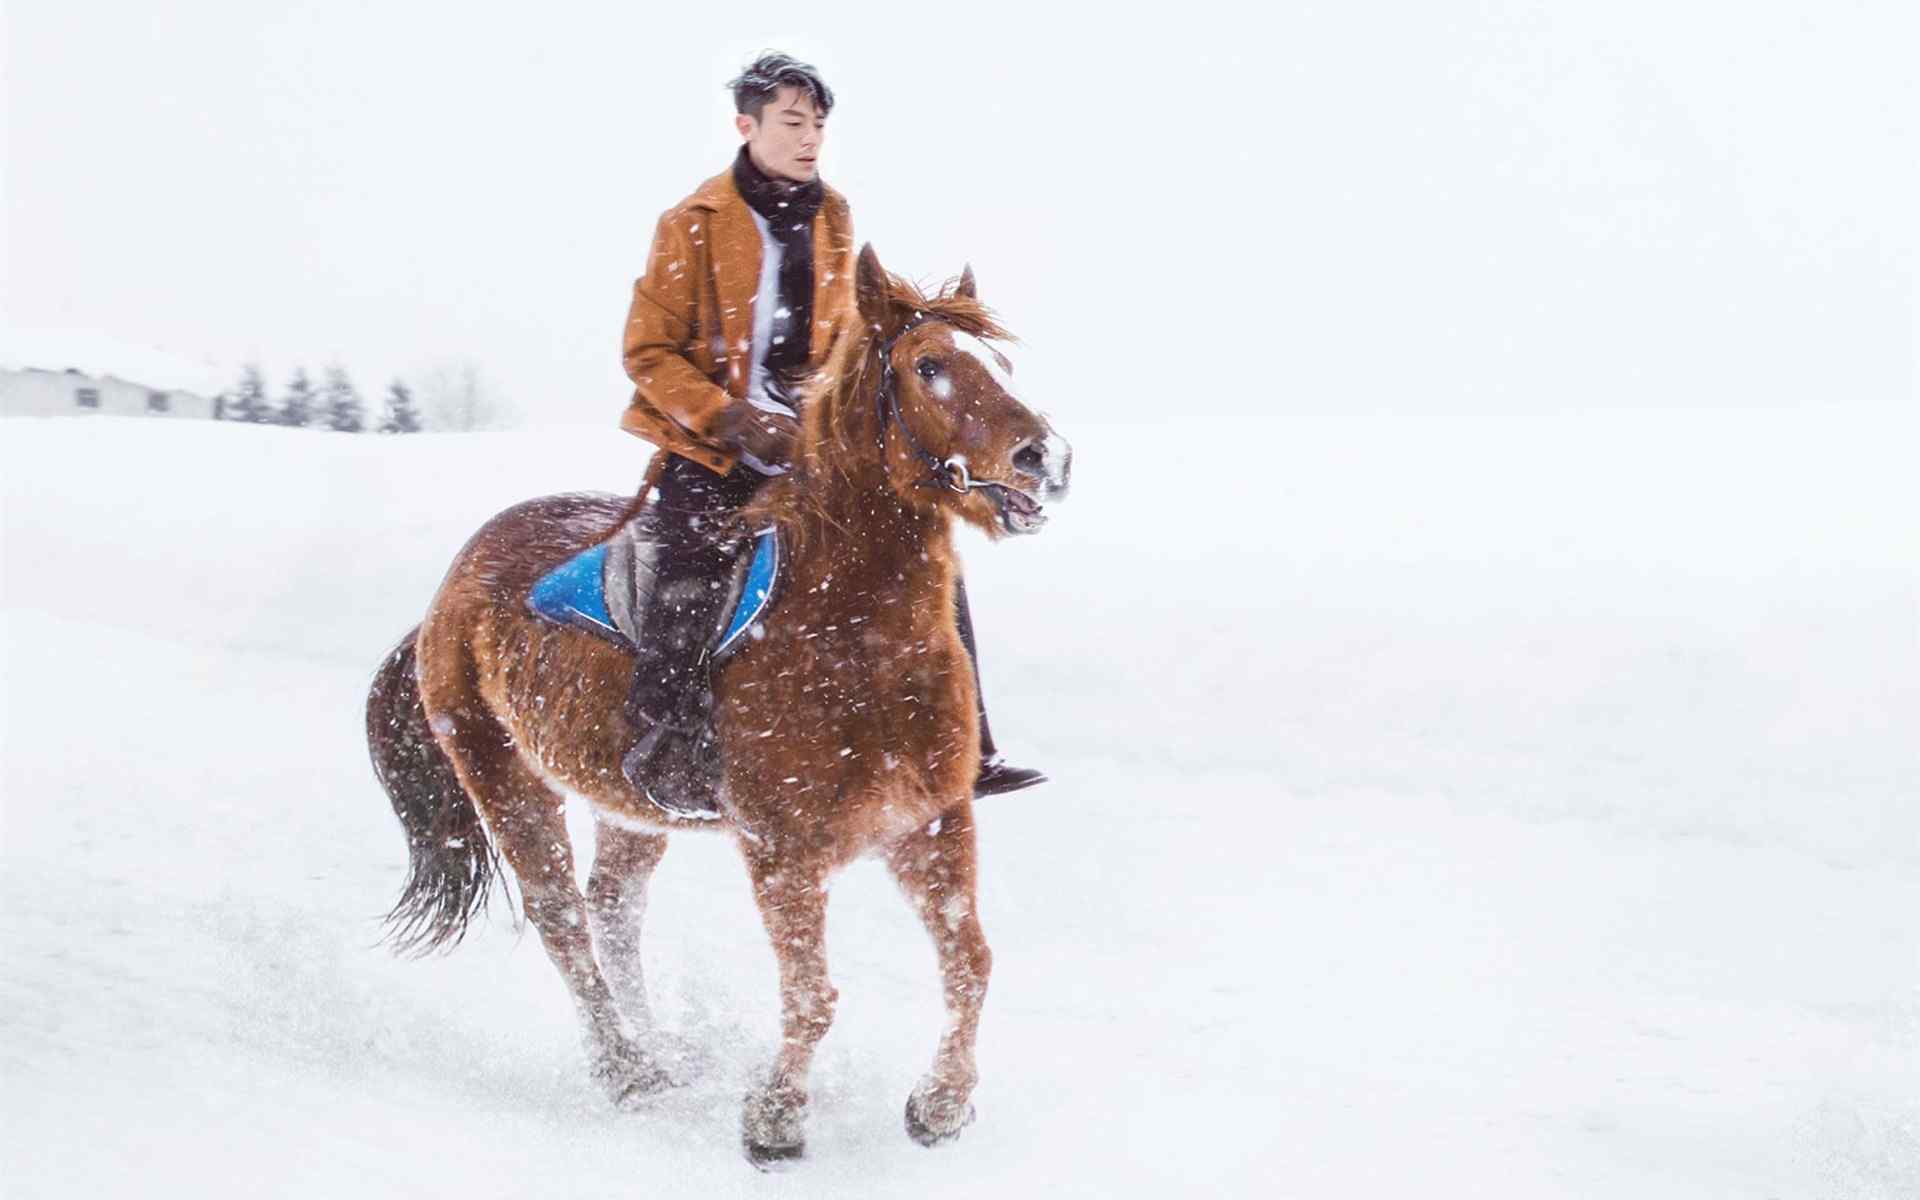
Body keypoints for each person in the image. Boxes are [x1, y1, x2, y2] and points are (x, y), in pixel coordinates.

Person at [617, 51, 1044, 816]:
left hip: (811, 448)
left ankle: (969, 749)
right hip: (711, 445)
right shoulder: (691, 224)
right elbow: (648, 353)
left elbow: (841, 339)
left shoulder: (833, 215)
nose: (810, 138)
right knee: (689, 562)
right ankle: (667, 745)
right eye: (792, 123)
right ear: (746, 126)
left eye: (818, 124)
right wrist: (734, 416)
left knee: (922, 553)